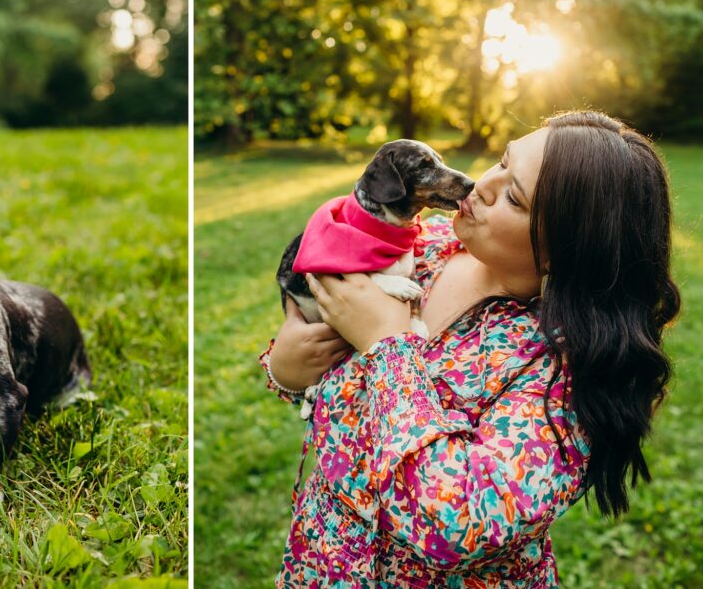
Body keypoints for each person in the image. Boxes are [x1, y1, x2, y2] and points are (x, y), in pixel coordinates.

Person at [259, 111, 679, 587]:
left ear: (566, 248)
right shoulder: (420, 249)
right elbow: (328, 386)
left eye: (514, 197)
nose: (481, 185)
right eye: (501, 161)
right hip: (320, 564)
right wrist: (287, 369)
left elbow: (453, 528)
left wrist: (387, 347)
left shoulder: (565, 368)